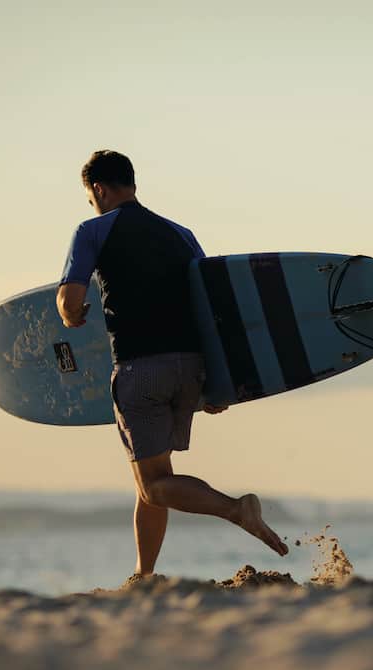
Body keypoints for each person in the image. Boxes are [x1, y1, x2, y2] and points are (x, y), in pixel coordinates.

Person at [56, 150, 288, 583]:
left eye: (91, 198)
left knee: (153, 484)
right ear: (133, 184)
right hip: (191, 368)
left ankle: (236, 509)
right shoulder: (181, 234)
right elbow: (209, 305)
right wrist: (218, 385)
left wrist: (70, 316)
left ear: (99, 190)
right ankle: (144, 574)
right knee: (152, 476)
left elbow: (69, 302)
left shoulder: (92, 231)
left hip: (140, 368)